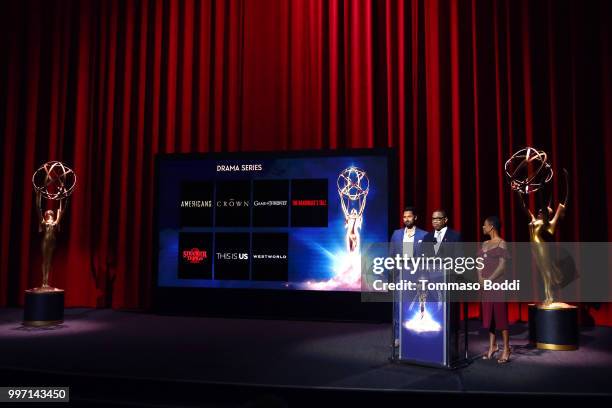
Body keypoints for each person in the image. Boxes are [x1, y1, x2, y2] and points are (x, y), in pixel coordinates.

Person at [477, 216, 511, 363]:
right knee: (489, 316)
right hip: (484, 285)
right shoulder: (484, 243)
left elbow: (502, 267)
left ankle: (506, 348)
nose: (482, 228)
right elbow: (479, 263)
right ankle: (493, 346)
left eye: (484, 225)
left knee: (500, 316)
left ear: (491, 227)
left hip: (497, 285)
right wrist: (480, 279)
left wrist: (489, 280)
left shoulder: (502, 244)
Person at [38, 194, 63, 290]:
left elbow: (60, 212)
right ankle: (43, 281)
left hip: (52, 242)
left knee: (49, 261)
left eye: (51, 214)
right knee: (45, 261)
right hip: (45, 241)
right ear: (46, 215)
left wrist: (61, 198)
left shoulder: (55, 223)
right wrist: (39, 196)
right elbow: (39, 210)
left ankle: (46, 282)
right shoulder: (44, 223)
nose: (50, 215)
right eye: (48, 214)